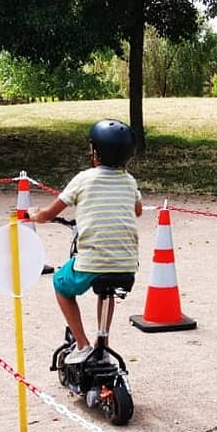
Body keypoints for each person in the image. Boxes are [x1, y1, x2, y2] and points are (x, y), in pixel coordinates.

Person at [30, 120, 143, 364]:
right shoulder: (129, 181)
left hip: (92, 261)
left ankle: (82, 345)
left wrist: (35, 215)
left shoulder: (84, 179)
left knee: (61, 284)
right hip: (126, 265)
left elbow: (48, 214)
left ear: (95, 152)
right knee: (107, 290)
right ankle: (103, 346)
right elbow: (138, 211)